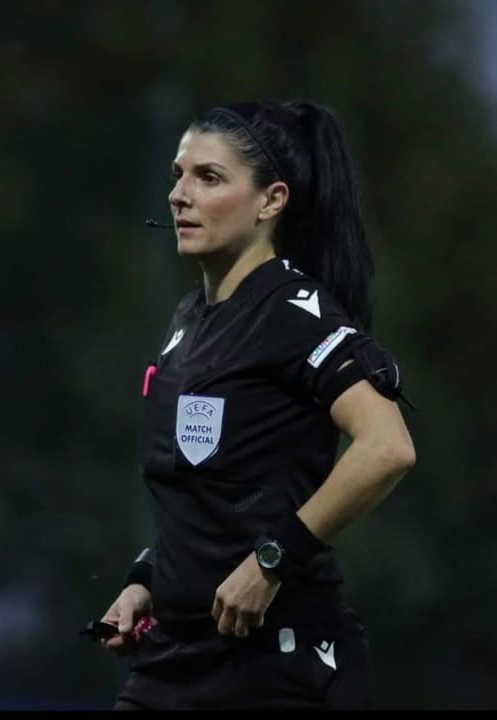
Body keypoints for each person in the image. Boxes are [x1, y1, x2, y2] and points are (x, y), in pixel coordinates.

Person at [99, 99, 416, 710]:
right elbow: (207, 494)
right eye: (178, 175)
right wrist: (147, 580)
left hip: (276, 663)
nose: (179, 195)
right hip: (174, 659)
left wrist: (271, 561)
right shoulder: (189, 320)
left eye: (208, 177)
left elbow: (388, 447)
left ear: (271, 201)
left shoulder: (295, 314)